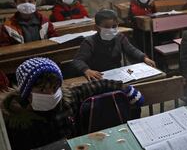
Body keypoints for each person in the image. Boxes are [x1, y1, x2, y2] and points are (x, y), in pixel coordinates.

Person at [0, 57, 144, 150]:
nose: (51, 94)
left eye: (55, 88)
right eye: (42, 89)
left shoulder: (68, 97)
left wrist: (125, 89)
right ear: (26, 93)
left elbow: (99, 85)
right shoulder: (13, 121)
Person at [72, 9, 155, 80]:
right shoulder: (89, 42)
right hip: (98, 76)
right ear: (96, 28)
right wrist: (87, 70)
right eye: (107, 27)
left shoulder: (119, 37)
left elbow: (131, 50)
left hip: (117, 74)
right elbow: (78, 60)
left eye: (114, 26)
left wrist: (144, 57)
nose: (111, 30)